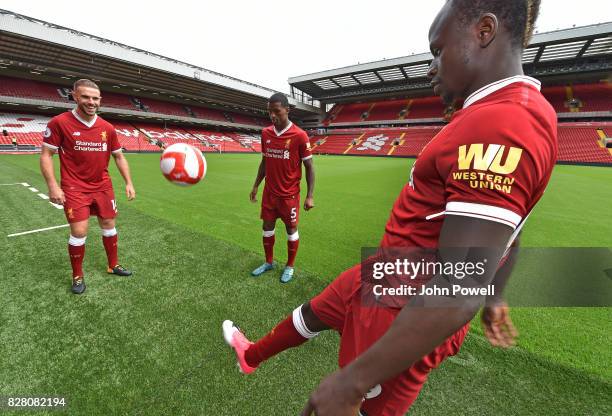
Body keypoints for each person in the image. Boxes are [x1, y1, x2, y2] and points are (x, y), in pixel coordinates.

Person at [223, 0, 557, 415]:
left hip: (401, 307)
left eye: (438, 50)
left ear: (484, 31)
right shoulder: (512, 114)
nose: (430, 68)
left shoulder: (500, 126)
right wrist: (496, 293)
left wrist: (353, 381)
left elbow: (461, 283)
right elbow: (513, 228)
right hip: (390, 273)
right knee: (318, 308)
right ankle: (251, 355)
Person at [40, 79, 136, 295]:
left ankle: (113, 265)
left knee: (109, 224)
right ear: (75, 96)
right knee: (79, 230)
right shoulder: (59, 122)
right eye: (85, 97)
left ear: (100, 100)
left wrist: (128, 182)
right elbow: (46, 155)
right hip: (74, 187)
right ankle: (77, 275)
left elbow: (119, 157)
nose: (91, 102)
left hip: (103, 186)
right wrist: (53, 186)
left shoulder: (107, 127)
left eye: (95, 98)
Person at [249, 93, 315, 283]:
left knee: (291, 229)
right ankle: (268, 262)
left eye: (276, 111)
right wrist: (255, 186)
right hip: (269, 194)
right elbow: (264, 162)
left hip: (289, 196)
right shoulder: (266, 133)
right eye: (270, 112)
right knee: (267, 227)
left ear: (287, 110)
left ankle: (290, 266)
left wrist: (310, 196)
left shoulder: (300, 136)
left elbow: (309, 167)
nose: (272, 115)